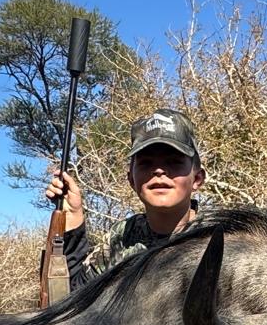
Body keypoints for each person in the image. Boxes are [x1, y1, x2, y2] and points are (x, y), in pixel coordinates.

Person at [46, 108, 205, 289]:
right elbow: (76, 295)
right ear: (131, 180)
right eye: (146, 163)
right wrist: (73, 219)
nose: (159, 171)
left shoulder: (220, 237)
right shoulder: (120, 238)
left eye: (174, 162)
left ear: (197, 179)